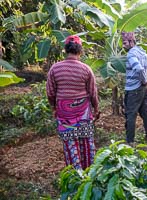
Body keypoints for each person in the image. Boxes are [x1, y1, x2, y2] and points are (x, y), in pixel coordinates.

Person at [46, 35, 100, 170]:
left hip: (64, 113)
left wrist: (54, 108)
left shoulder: (55, 68)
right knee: (86, 142)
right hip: (84, 113)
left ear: (65, 50)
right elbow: (93, 92)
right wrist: (96, 108)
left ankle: (75, 175)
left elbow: (50, 92)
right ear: (80, 51)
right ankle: (89, 173)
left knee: (71, 143)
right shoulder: (86, 69)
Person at [122, 31, 147, 145]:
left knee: (131, 114)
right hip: (143, 89)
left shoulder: (131, 53)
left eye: (125, 42)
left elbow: (139, 69)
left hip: (134, 89)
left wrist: (144, 80)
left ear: (131, 42)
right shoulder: (142, 52)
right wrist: (144, 82)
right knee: (145, 113)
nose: (123, 45)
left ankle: (130, 141)